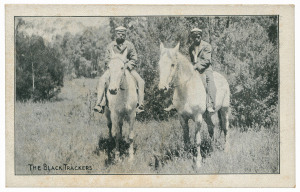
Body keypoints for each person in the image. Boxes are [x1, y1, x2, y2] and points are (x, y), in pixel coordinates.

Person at [94, 26, 145, 114]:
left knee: (140, 81)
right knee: (102, 80)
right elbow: (106, 59)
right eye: (119, 34)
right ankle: (99, 103)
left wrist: (128, 65)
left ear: (125, 35)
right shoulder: (111, 46)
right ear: (115, 34)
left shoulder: (129, 45)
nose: (121, 35)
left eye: (123, 34)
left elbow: (134, 58)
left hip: (127, 69)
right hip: (113, 69)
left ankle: (140, 105)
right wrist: (112, 65)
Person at [165, 28, 216, 113]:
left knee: (209, 82)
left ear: (201, 36)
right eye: (194, 37)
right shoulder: (191, 48)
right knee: (180, 79)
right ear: (192, 38)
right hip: (194, 69)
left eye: (198, 36)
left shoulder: (207, 46)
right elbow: (193, 60)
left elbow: (207, 60)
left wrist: (196, 66)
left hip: (206, 69)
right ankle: (175, 103)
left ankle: (210, 103)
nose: (196, 38)